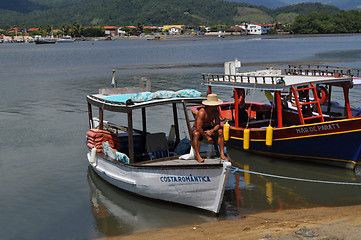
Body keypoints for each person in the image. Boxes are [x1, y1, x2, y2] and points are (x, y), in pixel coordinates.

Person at [192, 93, 227, 163]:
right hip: (198, 129)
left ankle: (222, 154)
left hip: (208, 128)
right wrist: (207, 137)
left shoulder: (216, 112)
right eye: (216, 105)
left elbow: (218, 124)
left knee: (220, 131)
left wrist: (212, 130)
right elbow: (198, 128)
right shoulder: (202, 112)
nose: (217, 106)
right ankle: (198, 156)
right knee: (196, 134)